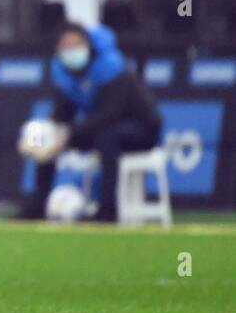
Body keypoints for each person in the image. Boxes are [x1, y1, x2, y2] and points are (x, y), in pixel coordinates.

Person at [22, 22, 163, 222]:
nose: (72, 51)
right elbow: (63, 114)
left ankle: (108, 210)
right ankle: (38, 206)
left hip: (143, 130)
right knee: (49, 136)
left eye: (77, 44)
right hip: (100, 129)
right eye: (66, 46)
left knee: (106, 137)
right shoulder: (63, 72)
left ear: (89, 46)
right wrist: (43, 133)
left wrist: (68, 133)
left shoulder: (111, 67)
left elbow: (110, 114)